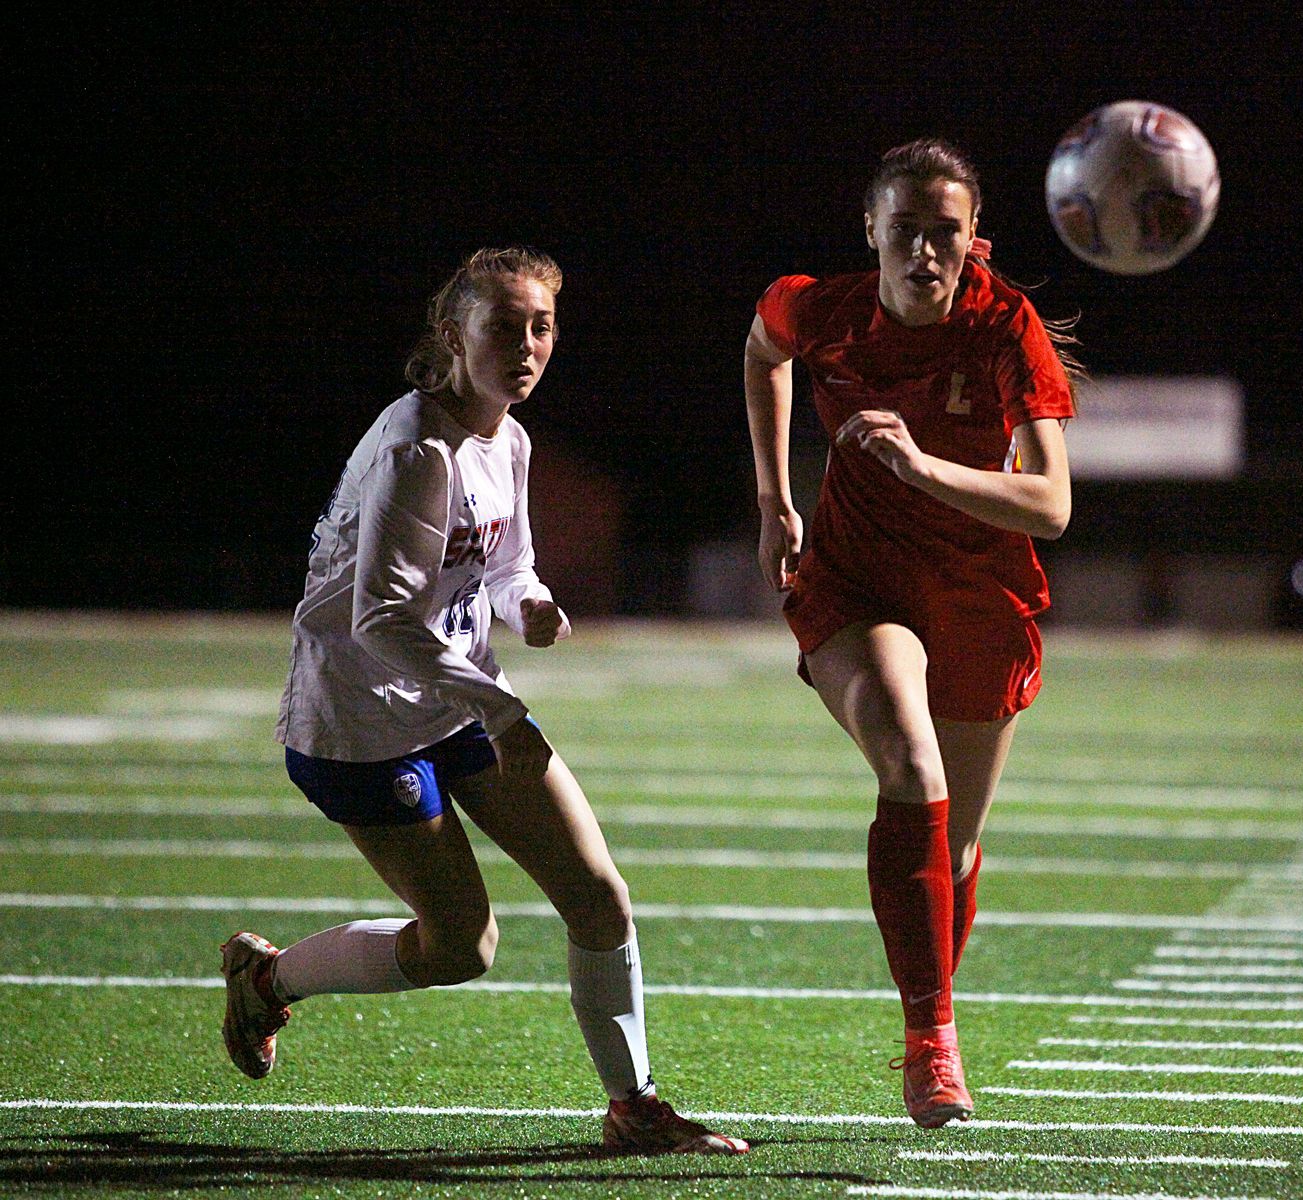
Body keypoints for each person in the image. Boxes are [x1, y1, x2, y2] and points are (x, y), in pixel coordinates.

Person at [228, 247, 746, 1156]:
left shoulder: (507, 435)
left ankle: (635, 1107)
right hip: (361, 721)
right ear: (450, 334)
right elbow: (381, 615)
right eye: (503, 325)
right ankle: (268, 981)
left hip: (456, 698)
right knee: (461, 949)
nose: (527, 344)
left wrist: (529, 602)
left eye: (541, 326)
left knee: (597, 897)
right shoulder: (417, 445)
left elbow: (504, 565)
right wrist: (503, 709)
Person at [743, 139, 1077, 1127]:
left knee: (958, 842)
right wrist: (774, 500)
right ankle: (933, 1044)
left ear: (974, 239)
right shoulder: (824, 310)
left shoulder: (1007, 330)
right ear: (871, 232)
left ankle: (928, 1016)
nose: (923, 251)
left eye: (945, 232)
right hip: (859, 584)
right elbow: (762, 350)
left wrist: (925, 467)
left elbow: (1052, 503)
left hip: (977, 589)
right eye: (905, 231)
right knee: (910, 765)